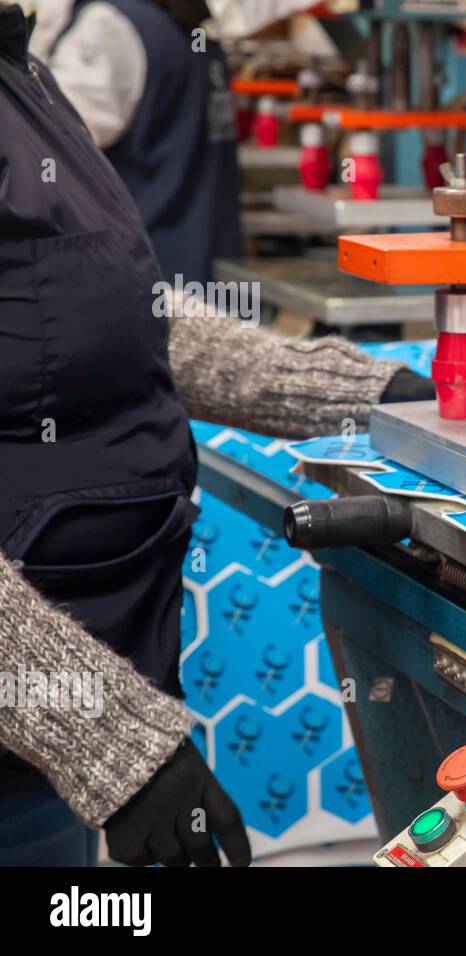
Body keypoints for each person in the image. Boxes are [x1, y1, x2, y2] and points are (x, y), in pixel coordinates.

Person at [0, 2, 436, 866]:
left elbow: (119, 315)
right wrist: (106, 744)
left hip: (39, 741)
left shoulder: (21, 75)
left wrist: (348, 390)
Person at [29, 0, 319, 284]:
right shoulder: (190, 25)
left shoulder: (111, 26)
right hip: (202, 275)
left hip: (153, 284)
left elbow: (48, 153)